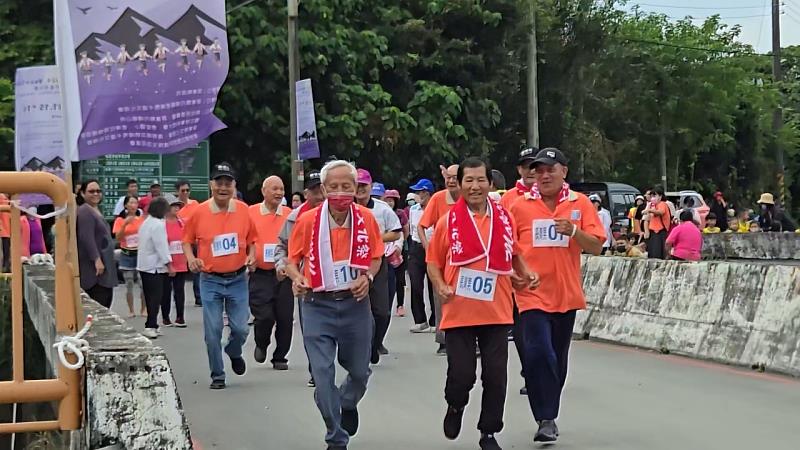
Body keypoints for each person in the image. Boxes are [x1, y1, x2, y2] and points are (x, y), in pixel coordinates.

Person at [427, 157, 539, 450]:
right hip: (459, 311)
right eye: (469, 181)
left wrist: (525, 272)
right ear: (459, 184)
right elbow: (433, 263)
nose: (475, 186)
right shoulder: (447, 222)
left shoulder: (504, 217)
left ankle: (488, 432)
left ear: (490, 183)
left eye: (480, 180)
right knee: (462, 375)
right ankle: (455, 405)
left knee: (496, 377)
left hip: (498, 310)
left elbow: (513, 252)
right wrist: (440, 285)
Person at [285, 160, 384, 450]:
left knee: (359, 371)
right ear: (323, 190)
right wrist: (298, 277)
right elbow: (292, 260)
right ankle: (335, 436)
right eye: (333, 187)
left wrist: (367, 276)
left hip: (355, 304)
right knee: (322, 374)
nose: (340, 192)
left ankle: (347, 401)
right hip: (317, 304)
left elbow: (376, 256)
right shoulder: (307, 221)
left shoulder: (366, 219)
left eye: (346, 186)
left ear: (356, 188)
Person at [509, 147, 605, 443]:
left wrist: (574, 232)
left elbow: (596, 246)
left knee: (557, 359)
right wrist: (512, 273)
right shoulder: (518, 205)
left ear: (564, 171)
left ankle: (548, 413)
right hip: (530, 294)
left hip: (565, 295)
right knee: (539, 352)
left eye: (551, 169)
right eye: (539, 170)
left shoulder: (581, 204)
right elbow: (505, 246)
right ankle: (545, 417)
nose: (544, 175)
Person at [182, 162, 257, 390]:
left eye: (228, 183)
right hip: (210, 279)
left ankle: (233, 351)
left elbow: (253, 240)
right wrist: (190, 258)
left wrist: (252, 256)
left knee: (241, 328)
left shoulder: (243, 209)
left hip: (237, 279)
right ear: (211, 185)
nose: (223, 187)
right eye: (219, 183)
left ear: (234, 186)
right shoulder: (199, 211)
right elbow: (186, 240)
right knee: (213, 330)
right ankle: (218, 374)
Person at [275, 170, 325, 388]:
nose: (320, 196)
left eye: (323, 189)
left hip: (337, 283)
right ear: (307, 193)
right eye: (315, 191)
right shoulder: (294, 218)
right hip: (306, 283)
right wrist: (282, 267)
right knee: (312, 330)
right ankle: (317, 371)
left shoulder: (341, 214)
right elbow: (282, 247)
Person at [355, 169, 402, 364]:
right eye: (357, 185)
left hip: (377, 261)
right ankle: (361, 349)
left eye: (364, 186)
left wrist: (373, 238)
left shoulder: (382, 209)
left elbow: (397, 233)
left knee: (381, 311)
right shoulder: (345, 208)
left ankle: (375, 344)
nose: (360, 189)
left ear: (370, 186)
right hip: (353, 262)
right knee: (357, 310)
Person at [248, 176, 294, 370]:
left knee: (285, 317)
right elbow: (244, 239)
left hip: (284, 274)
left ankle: (280, 356)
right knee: (264, 316)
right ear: (264, 191)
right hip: (260, 273)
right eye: (274, 189)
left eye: (282, 189)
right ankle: (262, 342)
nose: (279, 193)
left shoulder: (290, 214)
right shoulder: (250, 213)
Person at [418, 164, 461, 355]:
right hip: (442, 259)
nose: (451, 181)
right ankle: (443, 339)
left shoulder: (470, 198)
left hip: (465, 257)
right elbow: (422, 226)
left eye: (455, 177)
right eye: (448, 177)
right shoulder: (437, 198)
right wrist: (429, 247)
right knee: (441, 297)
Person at [137, 197, 175, 338]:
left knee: (150, 296)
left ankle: (153, 323)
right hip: (155, 267)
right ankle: (150, 325)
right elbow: (161, 246)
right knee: (156, 297)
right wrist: (169, 264)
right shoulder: (158, 225)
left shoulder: (146, 222)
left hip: (145, 265)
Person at [76, 181, 117, 307]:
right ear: (83, 194)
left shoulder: (95, 210)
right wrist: (96, 259)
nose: (96, 194)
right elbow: (86, 237)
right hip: (95, 270)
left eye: (98, 191)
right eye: (91, 191)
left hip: (106, 264)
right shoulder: (84, 211)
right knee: (99, 301)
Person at [407, 178, 437, 333]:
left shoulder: (436, 207)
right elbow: (413, 229)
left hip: (433, 248)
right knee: (416, 284)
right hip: (416, 248)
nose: (418, 195)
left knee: (434, 284)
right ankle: (420, 320)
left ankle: (434, 321)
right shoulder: (413, 210)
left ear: (427, 193)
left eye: (420, 192)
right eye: (417, 192)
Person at [113, 196, 145, 317]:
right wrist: (124, 224)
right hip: (126, 254)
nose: (133, 205)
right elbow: (118, 238)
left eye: (135, 202)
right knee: (129, 284)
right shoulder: (120, 220)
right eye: (131, 202)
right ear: (126, 205)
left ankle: (143, 309)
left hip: (140, 253)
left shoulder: (141, 219)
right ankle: (131, 310)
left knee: (143, 284)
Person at [163, 194, 189, 328]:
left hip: (181, 261)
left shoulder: (182, 222)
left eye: (177, 206)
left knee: (180, 291)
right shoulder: (162, 224)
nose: (176, 208)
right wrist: (168, 263)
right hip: (167, 262)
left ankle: (180, 317)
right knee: (166, 291)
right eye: (173, 206)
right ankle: (165, 317)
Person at [176, 180, 202, 307]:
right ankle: (177, 298)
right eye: (182, 190)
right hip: (181, 242)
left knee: (197, 268)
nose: (185, 192)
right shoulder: (175, 207)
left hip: (196, 240)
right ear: (177, 192)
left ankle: (198, 297)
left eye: (187, 190)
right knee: (180, 271)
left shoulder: (195, 204)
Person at [383, 189, 409, 317]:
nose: (389, 203)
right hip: (384, 250)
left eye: (391, 201)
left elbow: (405, 230)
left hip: (398, 248)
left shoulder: (400, 214)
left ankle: (400, 305)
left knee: (399, 279)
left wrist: (400, 246)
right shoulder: (382, 213)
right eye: (387, 200)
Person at [644, 186, 671, 259]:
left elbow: (660, 212)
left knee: (657, 253)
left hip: (660, 232)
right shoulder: (653, 206)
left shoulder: (662, 204)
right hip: (653, 232)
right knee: (652, 252)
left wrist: (650, 210)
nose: (653, 198)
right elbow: (646, 219)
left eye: (655, 195)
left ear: (660, 196)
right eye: (652, 196)